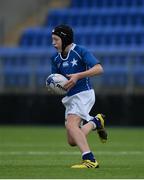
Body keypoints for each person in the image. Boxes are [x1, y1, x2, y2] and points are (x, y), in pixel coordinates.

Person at [50, 24, 108, 168]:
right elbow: (56, 80)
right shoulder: (55, 58)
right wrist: (54, 87)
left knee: (71, 125)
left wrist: (78, 76)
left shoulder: (80, 51)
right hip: (69, 98)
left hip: (84, 94)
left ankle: (90, 160)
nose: (53, 43)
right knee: (72, 140)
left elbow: (99, 69)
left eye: (56, 40)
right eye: (52, 39)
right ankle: (96, 122)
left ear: (65, 39)